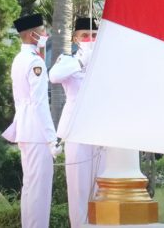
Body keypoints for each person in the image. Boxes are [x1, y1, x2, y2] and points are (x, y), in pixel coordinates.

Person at [2, 14, 58, 228]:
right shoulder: (35, 62)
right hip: (37, 133)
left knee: (30, 187)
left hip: (26, 130)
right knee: (39, 190)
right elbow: (40, 103)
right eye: (42, 31)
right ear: (32, 35)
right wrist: (52, 138)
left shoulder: (20, 59)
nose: (46, 35)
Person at [49, 16, 105, 228]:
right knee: (79, 189)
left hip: (101, 132)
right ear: (75, 38)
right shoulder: (68, 60)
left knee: (103, 187)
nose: (90, 39)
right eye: (85, 35)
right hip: (76, 130)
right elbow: (54, 76)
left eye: (94, 35)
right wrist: (82, 61)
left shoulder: (105, 61)